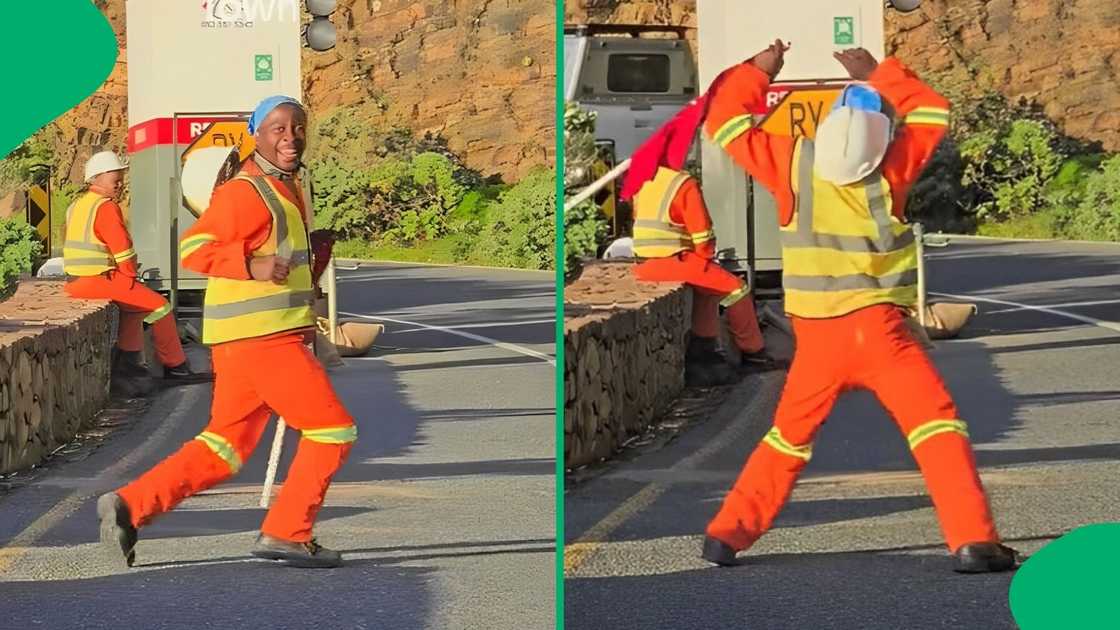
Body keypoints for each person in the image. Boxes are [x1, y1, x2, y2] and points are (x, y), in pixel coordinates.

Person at [700, 40, 1019, 573]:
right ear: (880, 142)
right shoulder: (890, 172)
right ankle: (973, 541)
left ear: (825, 132)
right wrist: (877, 72)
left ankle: (726, 534)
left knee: (787, 438)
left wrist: (759, 70)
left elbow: (725, 120)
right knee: (936, 427)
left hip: (817, 339)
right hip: (881, 333)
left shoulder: (791, 162)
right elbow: (932, 110)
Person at [97, 96, 357, 569]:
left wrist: (308, 259)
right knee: (332, 431)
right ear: (256, 136)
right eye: (277, 128)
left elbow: (279, 266)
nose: (291, 137)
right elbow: (195, 247)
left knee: (224, 448)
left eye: (298, 127)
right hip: (264, 342)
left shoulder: (284, 191)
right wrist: (250, 263)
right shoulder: (246, 191)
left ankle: (131, 506)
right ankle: (287, 532)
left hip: (248, 342)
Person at [63, 150, 209, 383]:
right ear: (97, 177)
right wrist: (130, 275)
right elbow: (122, 248)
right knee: (160, 307)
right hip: (97, 281)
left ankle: (130, 369)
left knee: (135, 309)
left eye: (121, 177)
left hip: (76, 281)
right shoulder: (106, 207)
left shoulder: (77, 206)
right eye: (115, 178)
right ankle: (176, 368)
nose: (120, 183)